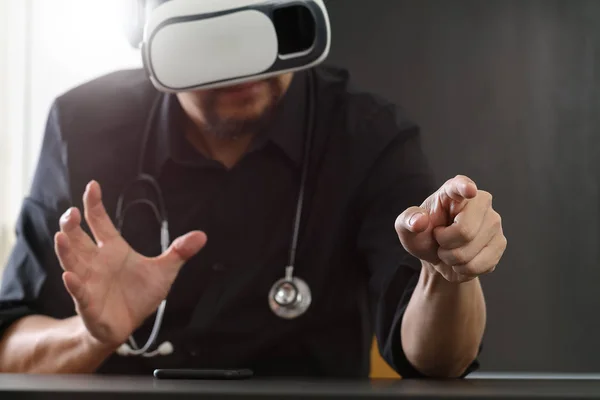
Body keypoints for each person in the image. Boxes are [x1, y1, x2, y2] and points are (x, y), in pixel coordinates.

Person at [0, 13, 506, 380]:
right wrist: (91, 336)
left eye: (259, 31)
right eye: (210, 43)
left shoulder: (366, 136)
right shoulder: (82, 126)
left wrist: (446, 272)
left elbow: (436, 360)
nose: (239, 72)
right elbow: (10, 351)